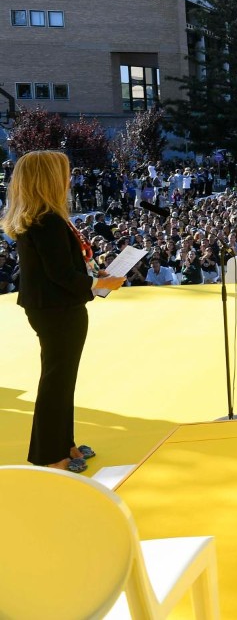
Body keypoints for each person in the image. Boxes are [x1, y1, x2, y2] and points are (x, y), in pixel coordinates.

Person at [1, 151, 126, 473]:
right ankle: (50, 455)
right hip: (58, 308)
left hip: (49, 306)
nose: (69, 179)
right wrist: (101, 282)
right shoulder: (48, 221)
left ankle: (64, 444)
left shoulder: (38, 217)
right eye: (64, 173)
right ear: (49, 179)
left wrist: (94, 281)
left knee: (61, 380)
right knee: (57, 382)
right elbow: (61, 274)